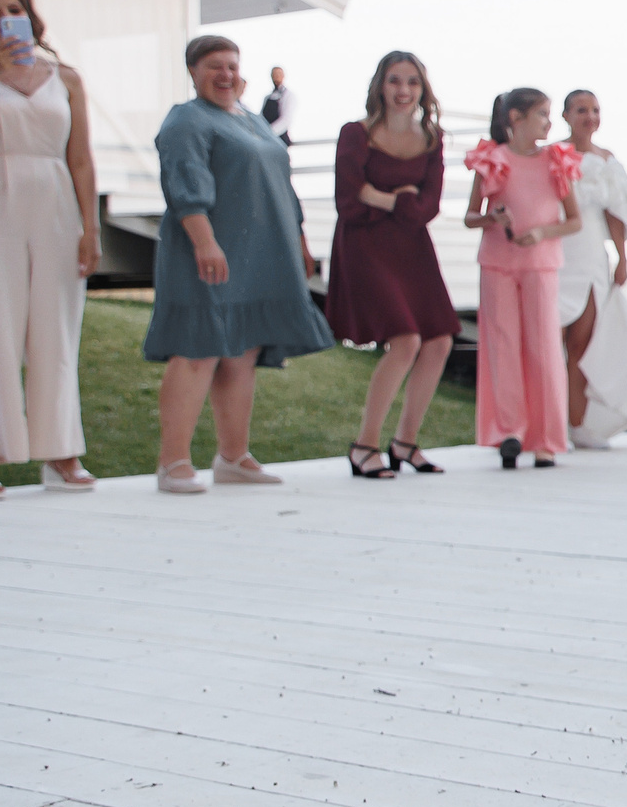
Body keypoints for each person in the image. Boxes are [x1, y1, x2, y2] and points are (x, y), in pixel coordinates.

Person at [144, 35, 335, 493]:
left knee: (242, 352)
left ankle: (233, 457)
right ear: (193, 71)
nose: (226, 74)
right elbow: (183, 183)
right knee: (197, 348)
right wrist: (205, 242)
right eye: (214, 66)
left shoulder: (252, 119)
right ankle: (172, 462)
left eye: (232, 65)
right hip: (210, 250)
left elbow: (280, 184)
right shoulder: (186, 120)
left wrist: (300, 238)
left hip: (263, 251)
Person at [0, 0, 97, 498]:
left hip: (57, 203)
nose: (2, 19)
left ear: (29, 14)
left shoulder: (66, 77)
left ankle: (61, 451)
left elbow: (81, 158)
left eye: (12, 8)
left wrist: (91, 230)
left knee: (57, 330)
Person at [326, 50, 459, 478]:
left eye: (412, 82)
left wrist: (378, 195)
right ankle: (364, 446)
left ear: (423, 89)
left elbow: (429, 207)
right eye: (395, 81)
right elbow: (348, 199)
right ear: (380, 86)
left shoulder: (433, 139)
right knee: (406, 340)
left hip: (412, 245)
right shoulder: (356, 133)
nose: (404, 91)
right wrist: (399, 198)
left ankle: (405, 443)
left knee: (439, 340)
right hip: (364, 243)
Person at [464, 89, 582, 469]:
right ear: (516, 117)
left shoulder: (556, 161)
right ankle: (510, 432)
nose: (549, 123)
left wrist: (543, 234)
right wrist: (490, 220)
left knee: (545, 347)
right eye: (542, 114)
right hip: (497, 263)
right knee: (503, 346)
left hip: (541, 265)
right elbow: (470, 216)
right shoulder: (491, 160)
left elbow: (574, 220)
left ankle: (547, 439)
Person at [557, 89, 627, 449]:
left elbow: (615, 212)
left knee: (582, 344)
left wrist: (622, 259)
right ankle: (548, 423)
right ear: (565, 115)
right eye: (581, 110)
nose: (589, 117)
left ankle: (578, 423)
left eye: (595, 110)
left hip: (592, 253)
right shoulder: (553, 154)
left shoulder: (607, 159)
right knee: (551, 344)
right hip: (557, 249)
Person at [260, 66, 296, 146]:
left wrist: (269, 133)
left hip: (280, 140)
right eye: (274, 74)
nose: (276, 77)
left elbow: (286, 120)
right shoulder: (267, 97)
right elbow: (261, 117)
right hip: (266, 141)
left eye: (279, 74)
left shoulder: (288, 95)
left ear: (283, 76)